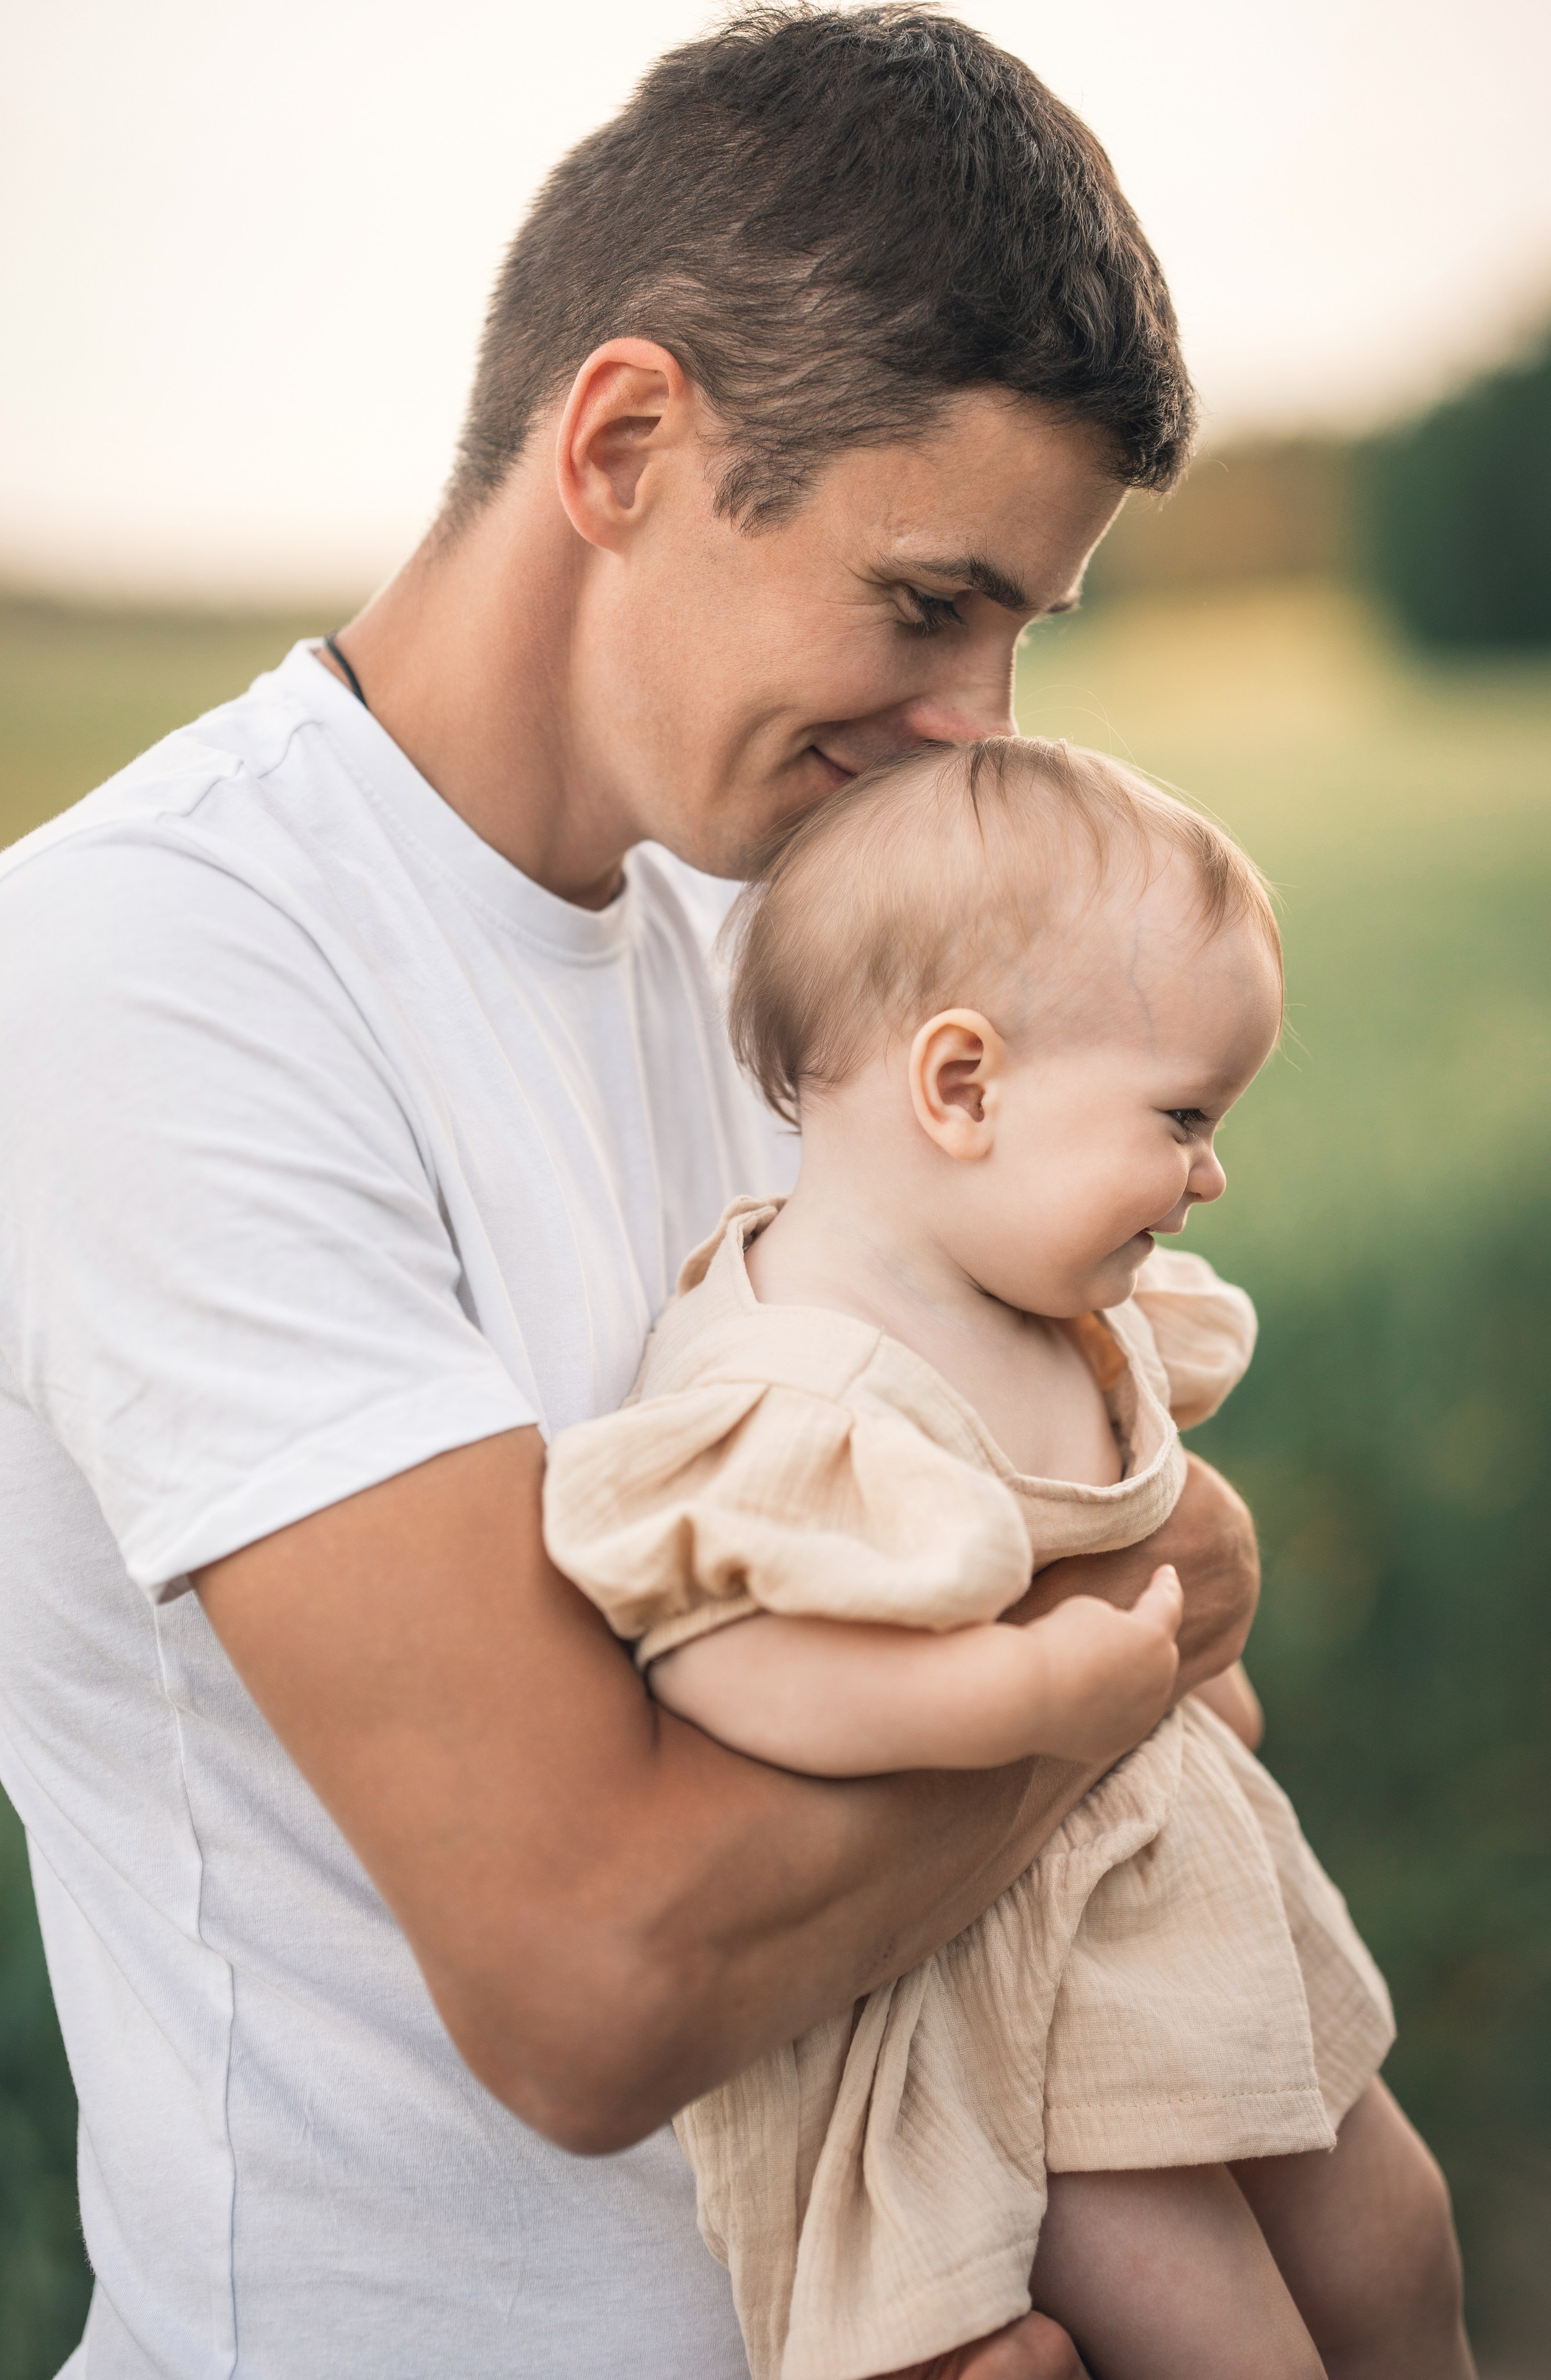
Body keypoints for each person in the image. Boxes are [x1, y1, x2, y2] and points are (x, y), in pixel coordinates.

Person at [0, 10, 1448, 2376]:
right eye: (926, 600)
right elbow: (595, 1979)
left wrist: (1136, 1620)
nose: (980, 721)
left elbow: (1146, 1542)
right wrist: (1119, 1660)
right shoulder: (158, 979)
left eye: (1022, 629)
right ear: (630, 440)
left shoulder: (790, 934)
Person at [545, 736, 1472, 2380]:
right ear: (961, 1088)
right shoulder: (797, 1386)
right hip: (1004, 2001)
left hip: (1177, 1899)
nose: (1211, 1174)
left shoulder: (1067, 1306)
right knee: (1235, 2347)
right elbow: (724, 1656)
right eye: (1184, 1117)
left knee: (1400, 2249)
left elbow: (1140, 1516)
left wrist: (1205, 1676)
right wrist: (1019, 1686)